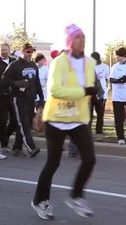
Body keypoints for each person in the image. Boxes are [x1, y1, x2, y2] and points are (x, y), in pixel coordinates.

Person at [31, 24, 97, 220]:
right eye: (77, 37)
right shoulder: (59, 62)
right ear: (69, 41)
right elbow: (55, 91)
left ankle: (76, 196)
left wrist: (94, 94)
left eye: (84, 37)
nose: (82, 41)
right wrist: (83, 91)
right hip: (57, 119)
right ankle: (40, 201)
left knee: (90, 158)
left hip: (77, 119)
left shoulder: (90, 63)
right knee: (53, 162)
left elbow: (90, 87)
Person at [1, 43, 43, 157]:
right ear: (22, 52)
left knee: (27, 123)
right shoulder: (14, 65)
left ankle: (17, 147)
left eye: (31, 52)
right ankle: (31, 147)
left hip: (30, 98)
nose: (30, 54)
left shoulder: (33, 65)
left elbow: (37, 82)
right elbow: (4, 80)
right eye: (28, 52)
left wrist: (41, 97)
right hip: (18, 98)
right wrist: (16, 83)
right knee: (22, 123)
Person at [0, 42, 17, 152]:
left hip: (13, 95)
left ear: (9, 50)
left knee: (15, 120)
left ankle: (4, 136)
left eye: (6, 49)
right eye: (2, 50)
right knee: (2, 120)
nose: (4, 52)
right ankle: (4, 144)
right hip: (1, 96)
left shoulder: (14, 62)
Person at [89, 52, 109, 135]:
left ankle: (99, 130)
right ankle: (88, 130)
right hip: (90, 93)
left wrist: (102, 88)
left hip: (101, 93)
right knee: (89, 113)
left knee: (100, 113)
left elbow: (107, 79)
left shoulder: (105, 67)